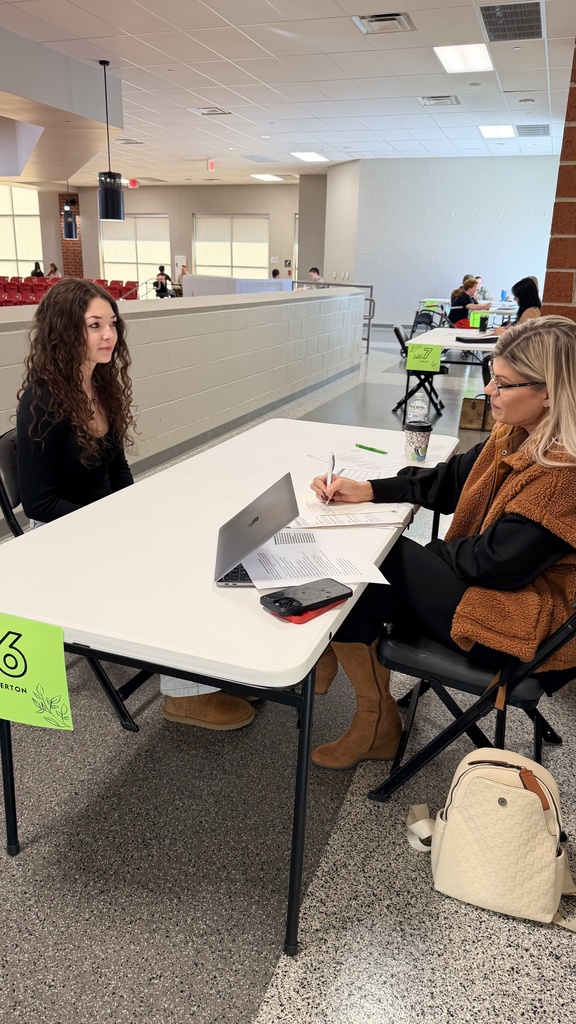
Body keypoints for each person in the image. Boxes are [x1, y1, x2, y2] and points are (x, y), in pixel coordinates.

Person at [309, 316, 576, 770]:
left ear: (549, 392)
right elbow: (450, 480)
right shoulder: (516, 434)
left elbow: (494, 564)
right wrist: (370, 489)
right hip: (502, 594)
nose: (487, 390)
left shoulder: (564, 474)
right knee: (369, 577)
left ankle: (342, 676)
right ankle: (369, 714)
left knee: (378, 558)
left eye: (503, 383)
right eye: (492, 376)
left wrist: (429, 558)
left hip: (525, 626)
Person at [16, 278, 254, 731]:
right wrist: (113, 523)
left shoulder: (99, 385)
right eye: (93, 325)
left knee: (191, 535)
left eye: (111, 324)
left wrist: (137, 511)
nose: (109, 335)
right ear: (65, 331)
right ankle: (183, 696)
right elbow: (38, 503)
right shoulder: (42, 399)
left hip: (102, 521)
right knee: (170, 565)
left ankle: (208, 669)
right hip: (59, 536)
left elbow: (117, 468)